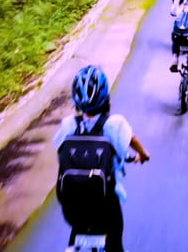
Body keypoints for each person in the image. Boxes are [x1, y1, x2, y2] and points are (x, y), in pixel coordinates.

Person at [53, 65, 150, 252]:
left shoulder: (67, 125)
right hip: (105, 203)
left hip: (72, 203)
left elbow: (60, 151)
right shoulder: (115, 124)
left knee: (77, 227)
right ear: (105, 96)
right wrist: (143, 155)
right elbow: (132, 140)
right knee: (115, 237)